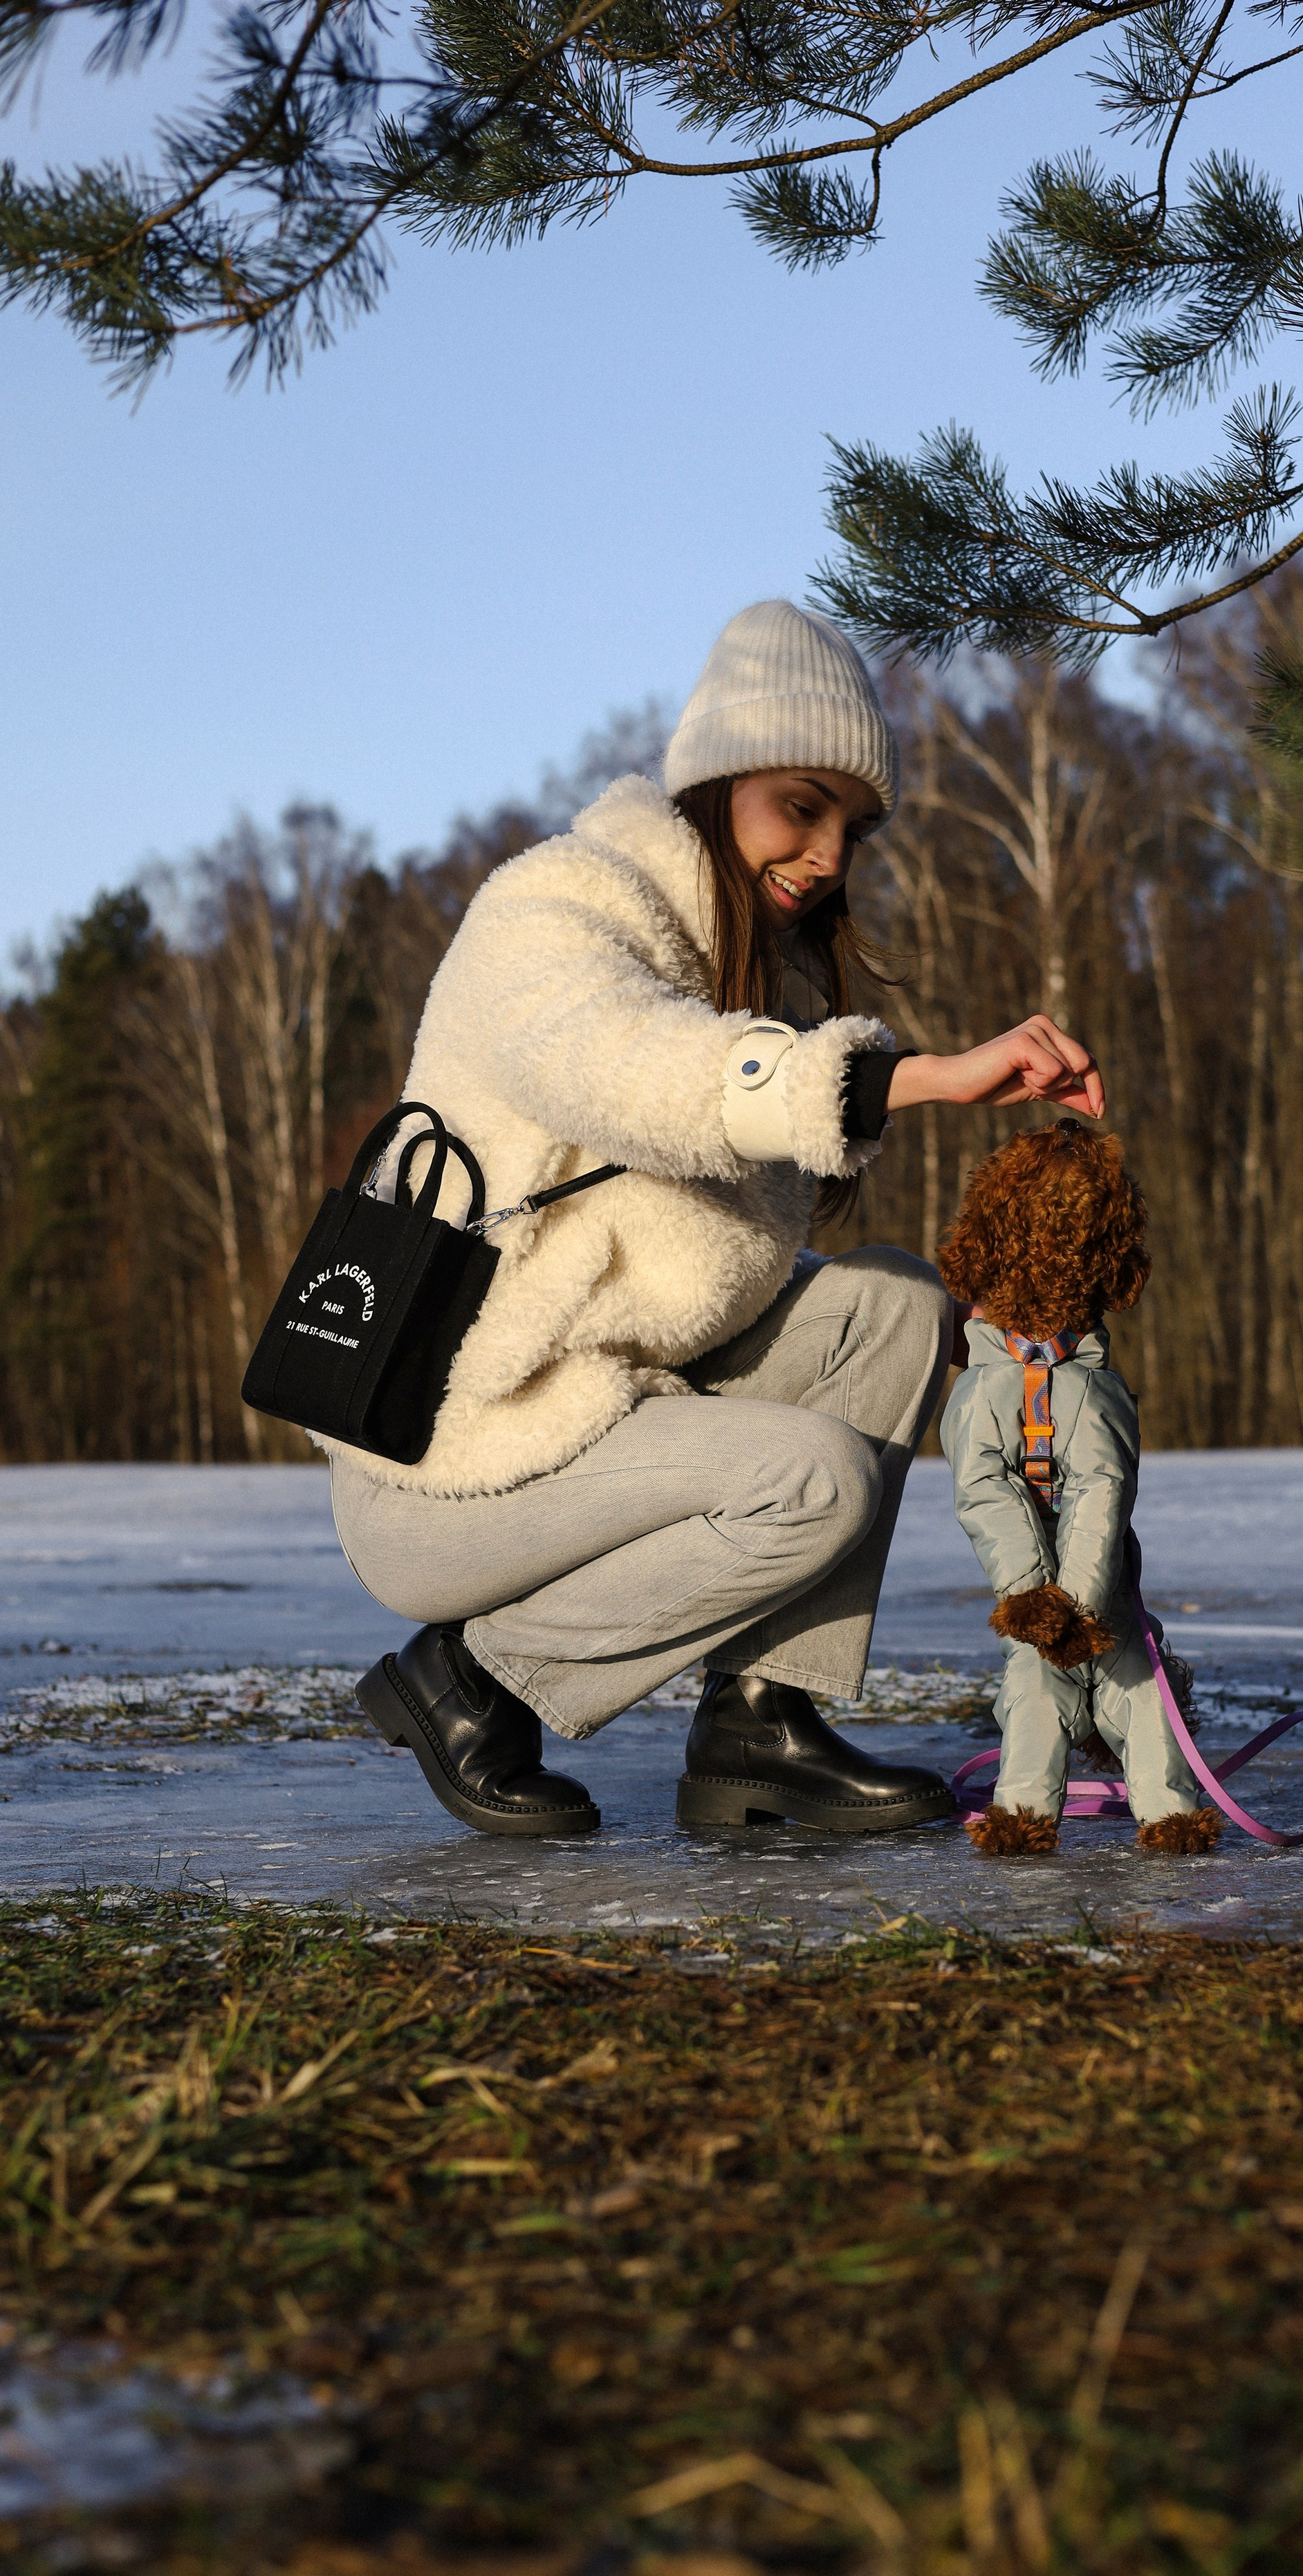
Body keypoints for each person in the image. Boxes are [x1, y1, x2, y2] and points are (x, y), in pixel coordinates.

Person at [327, 600, 1105, 1842]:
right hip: (454, 1459)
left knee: (892, 1304)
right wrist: (914, 1074)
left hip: (602, 1410)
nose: (830, 852)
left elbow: (704, 1282)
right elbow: (638, 1069)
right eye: (802, 806)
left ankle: (762, 1728)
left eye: (854, 826)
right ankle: (470, 1682)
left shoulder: (748, 975)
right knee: (811, 1483)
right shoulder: (555, 913)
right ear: (716, 784)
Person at [936, 1120, 1219, 1856]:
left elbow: (1104, 1492)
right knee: (1034, 1684)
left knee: (1137, 1682)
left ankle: (1171, 1812)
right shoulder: (981, 1388)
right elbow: (980, 1489)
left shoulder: (1095, 1390)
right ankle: (1021, 1810)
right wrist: (1031, 1594)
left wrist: (1077, 1603)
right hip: (1036, 1605)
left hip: (1105, 1599)